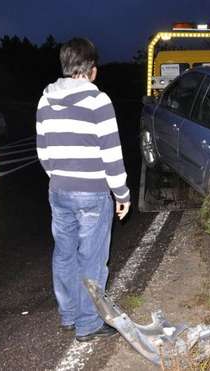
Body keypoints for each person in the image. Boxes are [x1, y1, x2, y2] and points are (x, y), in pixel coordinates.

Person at [36, 38, 130, 342]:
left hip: (59, 191)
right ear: (92, 69)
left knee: (64, 254)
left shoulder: (45, 100)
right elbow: (111, 155)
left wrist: (60, 178)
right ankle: (88, 323)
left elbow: (43, 151)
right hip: (91, 193)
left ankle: (69, 314)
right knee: (92, 258)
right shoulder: (98, 101)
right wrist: (122, 194)